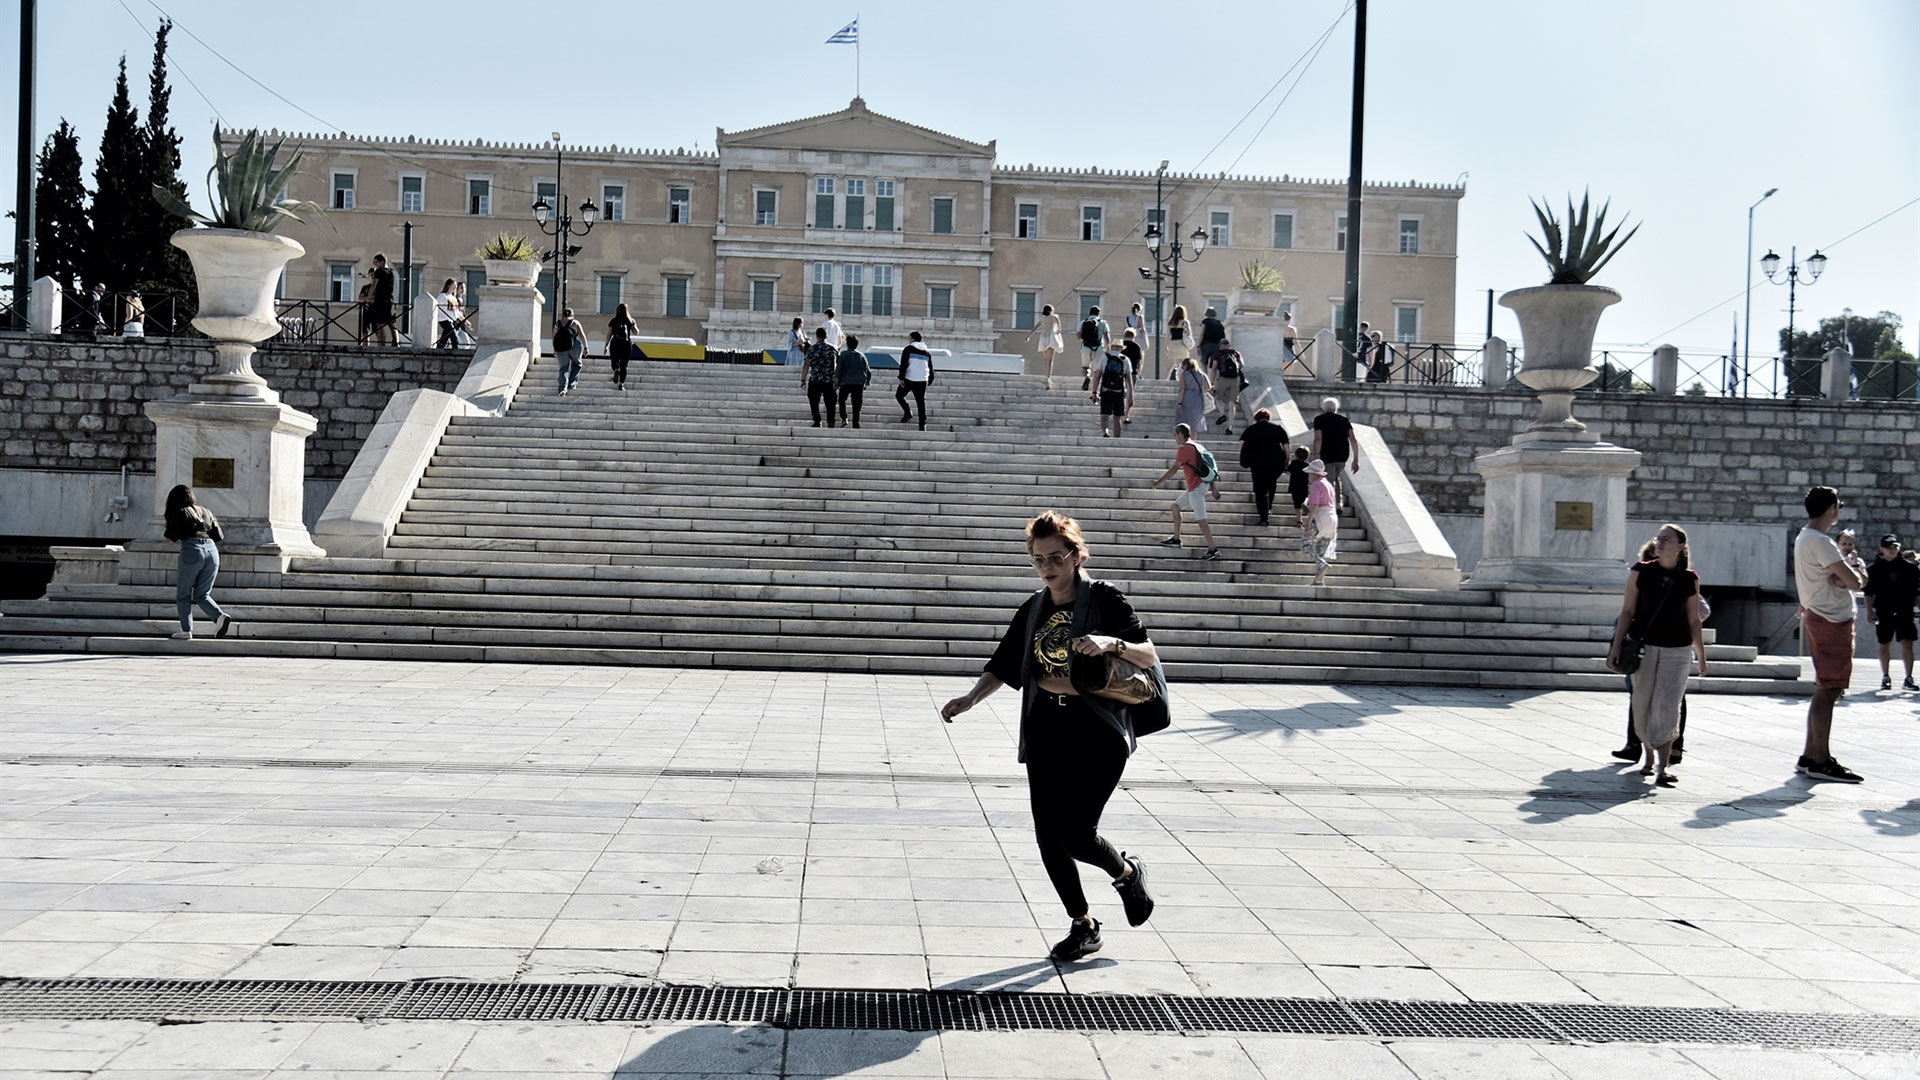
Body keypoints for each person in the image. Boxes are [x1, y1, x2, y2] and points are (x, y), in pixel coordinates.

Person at [939, 511, 1165, 963]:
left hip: (1096, 729)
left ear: (1077, 556)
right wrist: (970, 698)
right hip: (1047, 727)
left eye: (1055, 558)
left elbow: (1148, 653)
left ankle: (1126, 873)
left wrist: (1109, 643)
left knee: (1078, 834)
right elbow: (1004, 663)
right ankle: (1083, 925)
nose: (1046, 567)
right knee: (1048, 836)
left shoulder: (1105, 599)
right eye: (1038, 559)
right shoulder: (1035, 607)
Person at [1606, 525, 1707, 787]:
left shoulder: (1689, 578)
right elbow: (1627, 611)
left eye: (1666, 539)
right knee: (1644, 704)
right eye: (1658, 539)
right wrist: (1616, 647)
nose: (1660, 543)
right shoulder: (1641, 572)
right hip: (1646, 647)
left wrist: (1702, 655)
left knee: (1668, 706)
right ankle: (1648, 757)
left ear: (1681, 545)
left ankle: (1663, 768)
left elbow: (1694, 619)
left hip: (1678, 649)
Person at [1793, 486, 1867, 783]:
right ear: (1832, 509)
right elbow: (1855, 582)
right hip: (1831, 620)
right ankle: (1820, 760)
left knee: (1825, 688)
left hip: (1819, 615)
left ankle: (1812, 754)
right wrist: (1851, 573)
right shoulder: (1822, 542)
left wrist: (1842, 576)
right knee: (1830, 690)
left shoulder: (1804, 538)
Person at [162, 484, 232, 641]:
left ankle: (186, 630)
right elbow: (219, 536)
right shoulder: (206, 511)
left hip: (192, 550)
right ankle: (219, 617)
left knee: (183, 594)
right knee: (202, 594)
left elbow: (169, 539)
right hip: (212, 552)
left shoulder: (180, 512)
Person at [1153, 424, 1221, 561]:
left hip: (1196, 488)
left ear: (1180, 434)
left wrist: (1158, 482)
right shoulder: (1197, 446)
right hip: (1197, 486)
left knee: (1201, 519)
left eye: (1175, 434)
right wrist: (1213, 487)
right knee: (1175, 507)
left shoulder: (1184, 448)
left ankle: (1213, 549)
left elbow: (1174, 468)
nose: (1174, 437)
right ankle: (1176, 539)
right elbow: (1210, 467)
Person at [1864, 533, 1919, 691]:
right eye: (1889, 547)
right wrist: (1869, 612)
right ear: (1882, 549)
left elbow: (1916, 592)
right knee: (1884, 644)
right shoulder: (1874, 569)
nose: (1892, 550)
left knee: (1907, 643)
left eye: (1895, 547)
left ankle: (1908, 677)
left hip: (1905, 610)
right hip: (1884, 610)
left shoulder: (1910, 569)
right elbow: (1868, 593)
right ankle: (1885, 676)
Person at [1238, 408, 1290, 526]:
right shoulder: (1277, 428)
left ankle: (1263, 517)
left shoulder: (1252, 429)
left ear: (1256, 418)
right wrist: (1287, 460)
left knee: (1259, 490)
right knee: (1271, 485)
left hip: (1257, 463)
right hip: (1275, 462)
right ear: (1268, 418)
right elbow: (1286, 446)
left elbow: (1241, 443)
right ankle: (1269, 506)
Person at [1310, 396, 1360, 510]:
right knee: (1335, 477)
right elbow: (1353, 439)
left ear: (1323, 408)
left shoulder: (1319, 420)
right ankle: (1337, 503)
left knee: (1329, 479)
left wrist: (1316, 456)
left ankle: (1333, 504)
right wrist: (1356, 459)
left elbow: (1318, 439)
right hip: (1342, 455)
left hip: (1328, 454)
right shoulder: (1344, 420)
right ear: (1336, 408)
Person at [1091, 336, 1133, 439]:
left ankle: (1105, 432)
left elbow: (1097, 376)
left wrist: (1094, 392)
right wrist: (1130, 396)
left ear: (1112, 347)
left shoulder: (1105, 357)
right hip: (1119, 391)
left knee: (1104, 417)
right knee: (1117, 418)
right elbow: (1129, 380)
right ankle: (1116, 439)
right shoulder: (1125, 359)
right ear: (1121, 348)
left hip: (1106, 390)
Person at [1303, 459, 1337, 584]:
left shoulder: (1316, 485)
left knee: (1306, 545)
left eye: (1310, 473)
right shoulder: (1328, 484)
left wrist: (1307, 523)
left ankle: (1321, 565)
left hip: (1320, 518)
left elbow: (1315, 505)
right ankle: (1319, 580)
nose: (1309, 476)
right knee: (1320, 550)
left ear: (1314, 474)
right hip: (1331, 518)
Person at [802, 326, 839, 427]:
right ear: (826, 336)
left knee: (814, 401)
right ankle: (831, 421)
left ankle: (817, 421)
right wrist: (836, 380)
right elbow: (836, 365)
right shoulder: (832, 349)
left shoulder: (812, 349)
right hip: (829, 379)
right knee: (830, 402)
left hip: (815, 379)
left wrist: (803, 380)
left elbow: (806, 364)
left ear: (817, 336)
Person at [897, 331, 934, 429]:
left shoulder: (908, 349)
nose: (909, 340)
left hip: (910, 378)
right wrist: (928, 381)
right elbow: (930, 368)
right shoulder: (927, 353)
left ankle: (908, 412)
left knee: (899, 395)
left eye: (909, 338)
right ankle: (922, 425)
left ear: (912, 338)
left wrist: (901, 377)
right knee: (921, 403)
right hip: (922, 380)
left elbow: (904, 364)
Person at [1023, 303, 1066, 386]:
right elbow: (1059, 327)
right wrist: (1058, 330)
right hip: (1050, 339)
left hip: (1043, 339)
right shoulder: (1054, 317)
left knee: (1046, 360)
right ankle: (1048, 377)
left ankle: (1046, 376)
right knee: (1050, 360)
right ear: (1051, 311)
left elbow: (1035, 328)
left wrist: (1028, 336)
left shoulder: (1042, 319)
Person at [1210, 337, 1247, 433]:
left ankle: (1222, 414)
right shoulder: (1236, 353)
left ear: (1220, 346)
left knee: (1217, 398)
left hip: (1222, 379)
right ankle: (1229, 427)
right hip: (1235, 380)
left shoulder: (1218, 353)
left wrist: (1211, 383)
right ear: (1228, 345)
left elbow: (1214, 368)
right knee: (1232, 404)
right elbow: (1242, 365)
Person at [836, 333, 871, 427]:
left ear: (847, 344)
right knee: (857, 404)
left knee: (842, 399)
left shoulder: (843, 354)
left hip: (846, 382)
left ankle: (844, 417)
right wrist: (866, 382)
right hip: (858, 383)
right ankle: (856, 422)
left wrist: (836, 381)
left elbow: (839, 369)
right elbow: (867, 370)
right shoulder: (862, 356)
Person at [1077, 306, 1110, 392]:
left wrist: (1086, 338)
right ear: (1099, 314)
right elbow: (1107, 336)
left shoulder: (1083, 322)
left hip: (1086, 348)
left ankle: (1087, 377)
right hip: (1099, 349)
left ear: (1089, 313)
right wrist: (1108, 348)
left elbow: (1078, 336)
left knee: (1085, 367)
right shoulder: (1102, 322)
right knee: (1097, 370)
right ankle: (1095, 389)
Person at [553, 307, 586, 395]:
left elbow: (554, 337)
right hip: (574, 346)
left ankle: (562, 389)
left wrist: (554, 349)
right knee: (577, 364)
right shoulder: (575, 323)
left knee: (563, 368)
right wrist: (586, 347)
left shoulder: (557, 324)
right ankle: (572, 383)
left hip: (560, 348)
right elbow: (582, 335)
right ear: (572, 316)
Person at [1174, 357, 1211, 434]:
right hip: (1198, 398)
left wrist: (1179, 403)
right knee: (1195, 423)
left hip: (1187, 397)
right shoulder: (1202, 374)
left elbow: (1182, 389)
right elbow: (1208, 387)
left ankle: (1186, 439)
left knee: (1185, 420)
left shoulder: (1184, 374)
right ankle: (1194, 440)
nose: (1182, 367)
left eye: (1183, 366)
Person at [606, 303, 638, 391]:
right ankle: (621, 384)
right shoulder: (630, 321)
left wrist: (605, 346)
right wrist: (633, 323)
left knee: (615, 361)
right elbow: (636, 332)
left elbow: (608, 334)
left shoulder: (613, 321)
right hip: (626, 344)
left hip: (615, 343)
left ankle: (616, 369)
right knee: (624, 366)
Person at [368, 253, 397, 346]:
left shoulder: (379, 272)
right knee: (392, 324)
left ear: (382, 262)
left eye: (376, 262)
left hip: (380, 301)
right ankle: (396, 343)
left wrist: (369, 296)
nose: (375, 264)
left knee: (380, 324)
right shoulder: (392, 272)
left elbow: (374, 285)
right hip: (390, 300)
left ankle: (381, 345)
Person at [1119, 329, 1144, 426]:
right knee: (1129, 394)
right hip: (1132, 373)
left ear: (1124, 335)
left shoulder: (1120, 345)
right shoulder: (1136, 347)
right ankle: (1126, 416)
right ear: (1134, 336)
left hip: (1119, 373)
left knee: (1120, 393)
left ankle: (1118, 412)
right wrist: (1138, 372)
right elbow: (1139, 362)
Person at [1286, 446, 1312, 530]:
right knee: (1306, 496)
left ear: (1296, 455)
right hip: (1303, 485)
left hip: (1294, 486)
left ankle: (1299, 520)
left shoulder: (1293, 463)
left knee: (1296, 504)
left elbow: (1287, 471)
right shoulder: (1307, 465)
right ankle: (1305, 503)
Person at [435, 278, 460, 349]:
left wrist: (465, 320)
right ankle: (456, 351)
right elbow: (437, 306)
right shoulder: (443, 296)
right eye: (454, 285)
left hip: (451, 320)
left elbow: (457, 312)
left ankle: (438, 349)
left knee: (444, 339)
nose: (455, 287)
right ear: (449, 285)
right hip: (444, 319)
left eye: (456, 285)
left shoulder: (454, 298)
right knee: (454, 337)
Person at [1165, 305, 1191, 370]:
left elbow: (1168, 336)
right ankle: (1183, 379)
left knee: (1171, 366)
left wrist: (1165, 346)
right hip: (1182, 344)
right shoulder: (1185, 322)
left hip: (1173, 344)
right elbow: (1189, 334)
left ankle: (1166, 379)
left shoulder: (1170, 323)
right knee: (1184, 365)